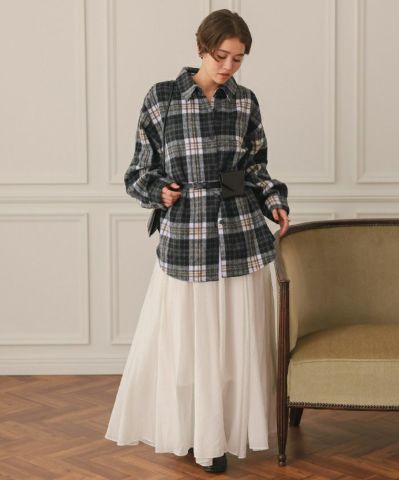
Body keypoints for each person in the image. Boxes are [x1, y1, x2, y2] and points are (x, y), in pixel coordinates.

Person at [105, 8, 290, 474]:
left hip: (240, 235)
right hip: (187, 237)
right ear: (200, 48)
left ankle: (220, 434)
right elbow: (137, 172)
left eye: (238, 59)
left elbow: (255, 167)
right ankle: (194, 434)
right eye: (221, 55)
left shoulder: (245, 101)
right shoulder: (162, 97)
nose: (228, 66)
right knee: (190, 347)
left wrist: (273, 202)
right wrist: (159, 191)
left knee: (234, 347)